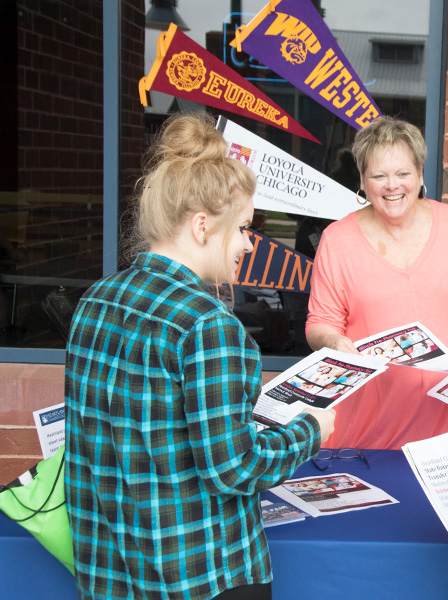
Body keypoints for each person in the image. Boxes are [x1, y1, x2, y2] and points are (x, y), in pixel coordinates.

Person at [64, 113, 335, 600]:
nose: (248, 245)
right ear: (202, 225)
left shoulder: (95, 301)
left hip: (109, 574)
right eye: (244, 228)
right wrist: (311, 431)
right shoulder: (208, 324)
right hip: (202, 574)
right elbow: (233, 466)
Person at [305, 116, 448, 449]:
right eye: (379, 176)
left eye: (403, 173)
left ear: (419, 175)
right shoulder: (337, 240)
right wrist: (333, 343)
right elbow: (319, 323)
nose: (392, 186)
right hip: (367, 430)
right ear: (362, 181)